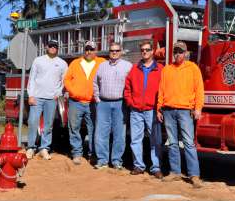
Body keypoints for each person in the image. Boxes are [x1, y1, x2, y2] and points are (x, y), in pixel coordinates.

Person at [157, 41, 204, 188]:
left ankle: (194, 175)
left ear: (185, 53)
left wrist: (198, 108)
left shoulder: (193, 68)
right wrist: (159, 108)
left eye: (180, 51)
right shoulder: (167, 70)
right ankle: (175, 172)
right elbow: (161, 90)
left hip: (185, 111)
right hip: (168, 110)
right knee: (172, 143)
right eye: (175, 51)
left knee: (189, 143)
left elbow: (199, 90)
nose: (178, 54)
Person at [124, 40, 164, 178]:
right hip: (136, 111)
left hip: (152, 110)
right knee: (135, 140)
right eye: (142, 50)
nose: (145, 52)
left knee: (156, 140)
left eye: (147, 49)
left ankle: (156, 168)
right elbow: (127, 87)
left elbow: (164, 89)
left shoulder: (160, 69)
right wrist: (130, 102)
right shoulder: (134, 69)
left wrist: (159, 107)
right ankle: (139, 166)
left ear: (152, 51)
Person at [64, 41, 105, 165]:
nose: (89, 52)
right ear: (84, 50)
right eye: (87, 49)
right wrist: (73, 91)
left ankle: (93, 155)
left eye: (91, 49)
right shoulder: (76, 63)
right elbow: (66, 79)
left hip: (93, 102)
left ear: (95, 51)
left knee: (93, 129)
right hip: (75, 102)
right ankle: (76, 153)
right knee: (74, 128)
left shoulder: (102, 62)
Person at [26, 39, 68, 160]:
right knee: (33, 122)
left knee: (48, 125)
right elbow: (32, 79)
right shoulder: (38, 60)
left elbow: (64, 81)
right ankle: (31, 147)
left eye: (55, 46)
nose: (53, 48)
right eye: (51, 46)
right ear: (46, 47)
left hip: (51, 99)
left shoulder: (62, 63)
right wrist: (31, 95)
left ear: (57, 48)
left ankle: (44, 148)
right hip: (37, 97)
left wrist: (58, 93)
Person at [93, 42, 132, 170]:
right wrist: (97, 98)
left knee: (119, 133)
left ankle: (116, 161)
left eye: (116, 50)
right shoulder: (102, 66)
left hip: (120, 103)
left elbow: (131, 85)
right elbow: (95, 83)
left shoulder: (128, 66)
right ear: (109, 52)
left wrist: (128, 101)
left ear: (120, 52)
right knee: (101, 133)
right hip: (103, 103)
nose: (114, 52)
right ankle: (102, 160)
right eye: (111, 50)